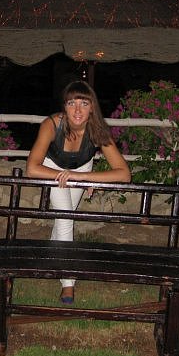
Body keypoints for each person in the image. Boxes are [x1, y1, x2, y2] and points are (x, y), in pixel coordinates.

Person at [26, 80, 131, 305]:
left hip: (82, 168)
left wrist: (84, 178)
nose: (77, 110)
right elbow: (32, 168)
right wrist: (65, 175)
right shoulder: (51, 124)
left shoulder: (97, 130)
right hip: (52, 168)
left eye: (84, 103)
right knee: (66, 217)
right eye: (71, 103)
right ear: (64, 106)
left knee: (64, 217)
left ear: (92, 107)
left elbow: (124, 173)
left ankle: (51, 256)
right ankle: (68, 282)